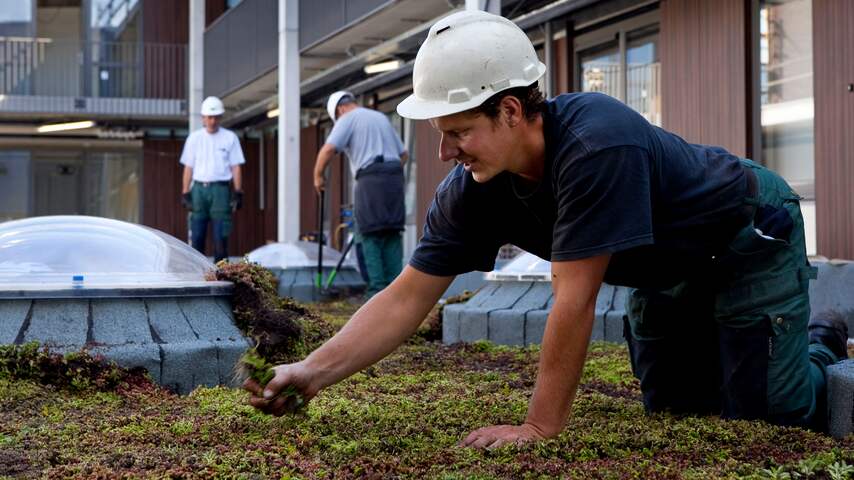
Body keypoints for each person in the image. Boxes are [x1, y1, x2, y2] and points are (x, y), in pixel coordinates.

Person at [246, 10, 847, 447]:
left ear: (510, 110)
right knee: (679, 411)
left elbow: (575, 298)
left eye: (457, 132)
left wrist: (539, 427)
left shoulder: (595, 142)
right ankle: (752, 342)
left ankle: (820, 337)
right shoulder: (470, 191)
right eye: (440, 135)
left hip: (745, 236)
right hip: (666, 271)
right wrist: (311, 373)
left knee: (766, 416)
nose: (445, 152)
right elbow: (406, 297)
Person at [313, 91, 408, 297]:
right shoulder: (380, 117)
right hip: (394, 177)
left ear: (340, 109)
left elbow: (328, 149)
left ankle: (376, 293)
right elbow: (404, 154)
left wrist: (318, 176)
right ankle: (397, 293)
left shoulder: (347, 118)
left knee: (368, 233)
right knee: (391, 232)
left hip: (370, 178)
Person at [180, 96, 246, 263]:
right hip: (199, 190)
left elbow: (236, 166)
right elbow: (188, 167)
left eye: (216, 117)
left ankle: (221, 274)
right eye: (209, 117)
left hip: (221, 190)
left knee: (220, 238)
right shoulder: (194, 138)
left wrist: (238, 191)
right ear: (203, 118)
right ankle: (196, 276)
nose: (212, 121)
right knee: (197, 236)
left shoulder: (229, 137)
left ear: (221, 118)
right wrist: (185, 192)